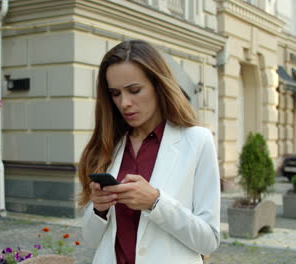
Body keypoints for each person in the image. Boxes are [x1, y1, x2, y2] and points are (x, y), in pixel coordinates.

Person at [78, 40, 220, 264]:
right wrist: (98, 209)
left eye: (134, 90)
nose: (124, 103)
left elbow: (208, 240)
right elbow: (90, 240)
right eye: (115, 94)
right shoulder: (108, 146)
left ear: (158, 85)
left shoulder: (197, 140)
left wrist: (155, 202)